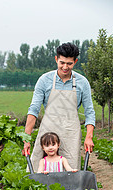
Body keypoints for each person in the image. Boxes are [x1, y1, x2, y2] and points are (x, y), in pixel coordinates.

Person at [22, 42, 95, 172]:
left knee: (71, 171)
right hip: (48, 132)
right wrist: (26, 137)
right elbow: (34, 110)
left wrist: (89, 137)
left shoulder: (82, 82)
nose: (65, 67)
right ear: (56, 59)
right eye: (62, 62)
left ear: (75, 62)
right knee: (38, 171)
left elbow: (89, 112)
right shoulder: (44, 80)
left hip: (70, 133)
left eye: (69, 63)